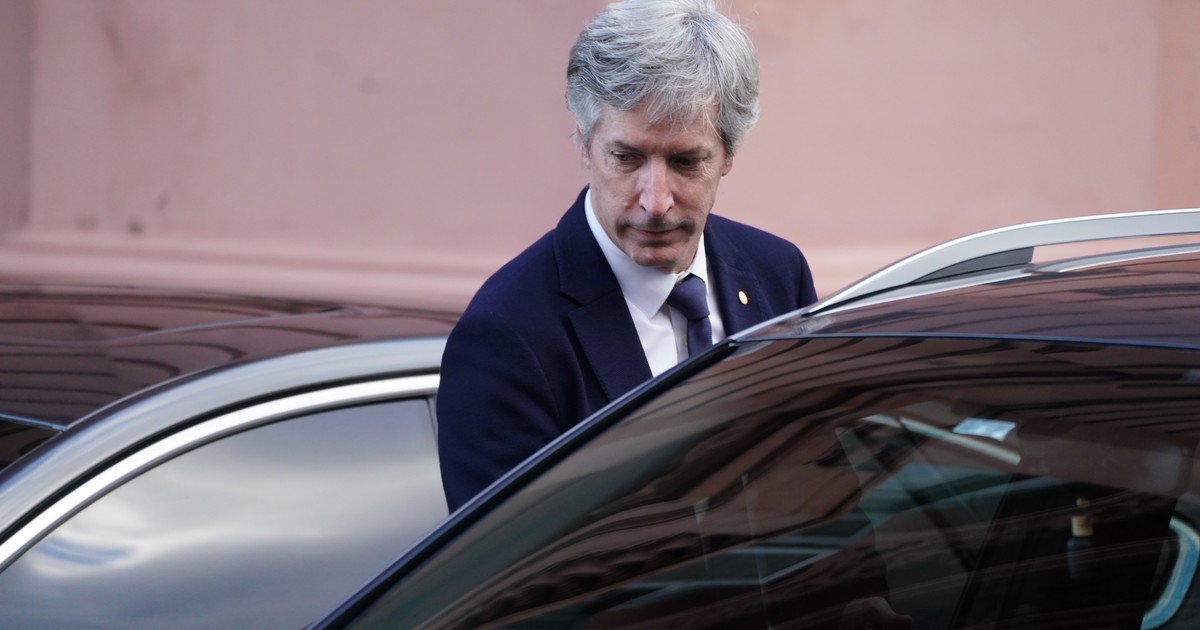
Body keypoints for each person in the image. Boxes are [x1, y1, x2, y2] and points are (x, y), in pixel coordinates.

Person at [437, 0, 817, 511]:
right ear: (583, 143)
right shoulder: (507, 334)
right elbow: (506, 557)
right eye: (626, 158)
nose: (655, 202)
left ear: (728, 155)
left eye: (686, 162)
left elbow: (821, 488)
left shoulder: (778, 273)